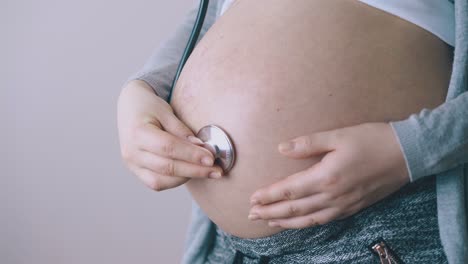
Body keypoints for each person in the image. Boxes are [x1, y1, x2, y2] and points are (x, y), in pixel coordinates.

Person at [117, 0, 467, 263]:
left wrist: (410, 149)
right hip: (228, 247)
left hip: (380, 227)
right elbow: (215, 15)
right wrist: (144, 88)